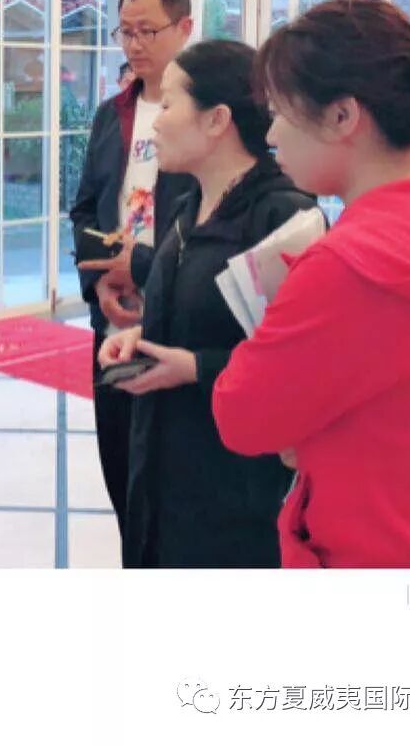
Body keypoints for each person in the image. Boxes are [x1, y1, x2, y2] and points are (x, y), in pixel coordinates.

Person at [212, 0, 410, 568]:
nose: (272, 133)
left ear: (342, 117)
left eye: (281, 112)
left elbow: (240, 416)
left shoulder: (348, 266)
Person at [96, 40, 317, 567]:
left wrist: (195, 367)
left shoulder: (283, 218)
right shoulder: (188, 205)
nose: (155, 122)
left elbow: (302, 368)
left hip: (231, 488)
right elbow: (197, 314)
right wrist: (144, 336)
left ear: (217, 119)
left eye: (169, 104)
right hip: (161, 466)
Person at [70, 0, 196, 544]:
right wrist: (102, 284)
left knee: (170, 488)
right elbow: (85, 209)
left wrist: (145, 271)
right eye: (125, 31)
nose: (134, 44)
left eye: (148, 30)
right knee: (120, 470)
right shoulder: (111, 113)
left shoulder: (205, 117)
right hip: (112, 320)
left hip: (177, 322)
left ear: (184, 28)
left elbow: (209, 222)